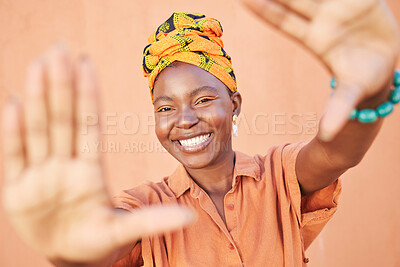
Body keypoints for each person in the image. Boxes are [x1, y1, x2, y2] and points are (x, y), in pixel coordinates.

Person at [1, 0, 399, 266]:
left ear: (235, 104)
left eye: (204, 99)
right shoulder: (144, 208)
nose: (184, 119)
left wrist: (371, 91)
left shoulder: (278, 175)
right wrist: (70, 251)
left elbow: (335, 153)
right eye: (165, 108)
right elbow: (102, 243)